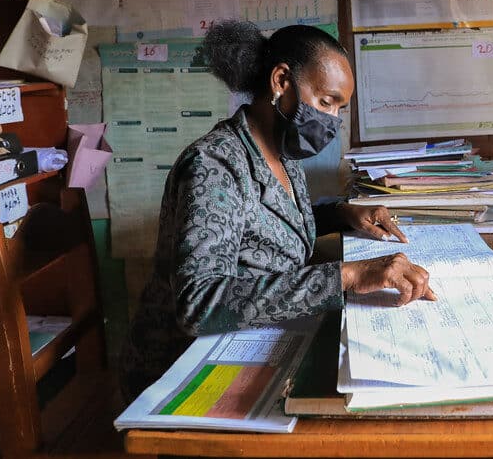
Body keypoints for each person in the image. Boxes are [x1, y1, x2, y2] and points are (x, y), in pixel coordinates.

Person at [120, 20, 436, 402]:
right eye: (325, 102)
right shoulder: (214, 165)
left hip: (257, 338)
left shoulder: (280, 154)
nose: (332, 120)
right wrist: (347, 276)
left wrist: (341, 214)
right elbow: (199, 303)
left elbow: (266, 227)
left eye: (339, 108)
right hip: (186, 366)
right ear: (282, 81)